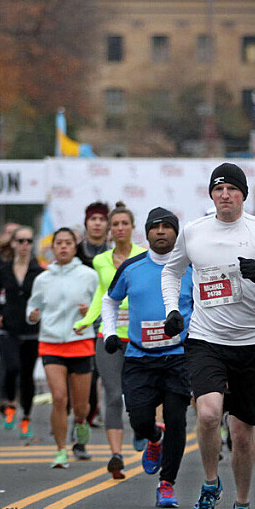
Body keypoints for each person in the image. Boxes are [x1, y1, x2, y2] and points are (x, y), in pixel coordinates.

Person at [162, 163, 255, 509]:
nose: (225, 195)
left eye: (232, 189)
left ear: (243, 194)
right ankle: (211, 484)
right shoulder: (194, 231)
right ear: (211, 194)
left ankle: (242, 507)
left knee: (241, 435)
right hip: (206, 339)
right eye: (218, 189)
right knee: (208, 413)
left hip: (252, 343)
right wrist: (172, 309)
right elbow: (171, 272)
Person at [102, 208, 194, 507]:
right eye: (155, 227)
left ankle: (167, 484)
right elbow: (110, 300)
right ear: (147, 232)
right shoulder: (132, 268)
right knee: (140, 421)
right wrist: (109, 333)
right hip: (139, 357)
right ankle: (154, 438)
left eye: (168, 226)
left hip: (178, 357)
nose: (161, 231)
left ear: (176, 233)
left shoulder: (191, 267)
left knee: (176, 420)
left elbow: (205, 305)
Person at [74, 202, 146, 478]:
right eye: (115, 224)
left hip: (140, 335)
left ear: (132, 227)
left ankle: (141, 428)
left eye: (124, 223)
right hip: (109, 334)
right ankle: (116, 455)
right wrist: (86, 321)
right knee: (113, 394)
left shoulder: (143, 256)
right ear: (109, 230)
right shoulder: (100, 260)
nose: (119, 228)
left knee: (139, 393)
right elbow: (101, 296)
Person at [26, 228, 99, 467]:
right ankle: (60, 451)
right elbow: (33, 306)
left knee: (81, 407)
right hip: (51, 343)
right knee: (58, 398)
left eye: (68, 243)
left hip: (81, 342)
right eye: (59, 243)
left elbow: (101, 305)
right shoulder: (43, 278)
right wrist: (32, 315)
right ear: (53, 247)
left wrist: (90, 312)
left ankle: (81, 423)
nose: (64, 247)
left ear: (75, 247)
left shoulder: (89, 275)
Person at [0, 226, 44, 438]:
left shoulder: (39, 272)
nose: (25, 245)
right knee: (12, 366)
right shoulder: (3, 271)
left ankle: (26, 416)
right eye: (21, 241)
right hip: (8, 329)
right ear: (13, 243)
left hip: (31, 330)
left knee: (27, 376)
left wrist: (41, 313)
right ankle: (8, 403)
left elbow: (46, 300)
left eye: (29, 241)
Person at [77, 202, 111, 268]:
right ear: (86, 223)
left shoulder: (113, 254)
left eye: (102, 219)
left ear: (108, 224)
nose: (97, 223)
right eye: (93, 219)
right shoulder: (74, 252)